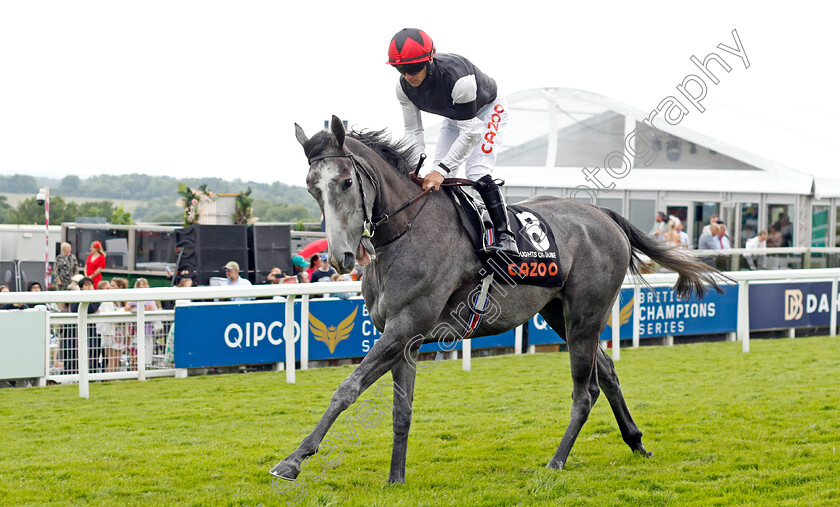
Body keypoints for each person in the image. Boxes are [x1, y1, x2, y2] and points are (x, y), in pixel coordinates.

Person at [387, 28, 518, 256]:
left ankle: (506, 236)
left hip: (488, 111)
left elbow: (471, 132)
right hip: (456, 117)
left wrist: (441, 170)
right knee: (437, 177)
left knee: (476, 170)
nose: (408, 75)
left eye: (413, 68)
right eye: (400, 69)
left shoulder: (460, 80)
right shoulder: (403, 88)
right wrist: (412, 166)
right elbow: (413, 131)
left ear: (429, 59)